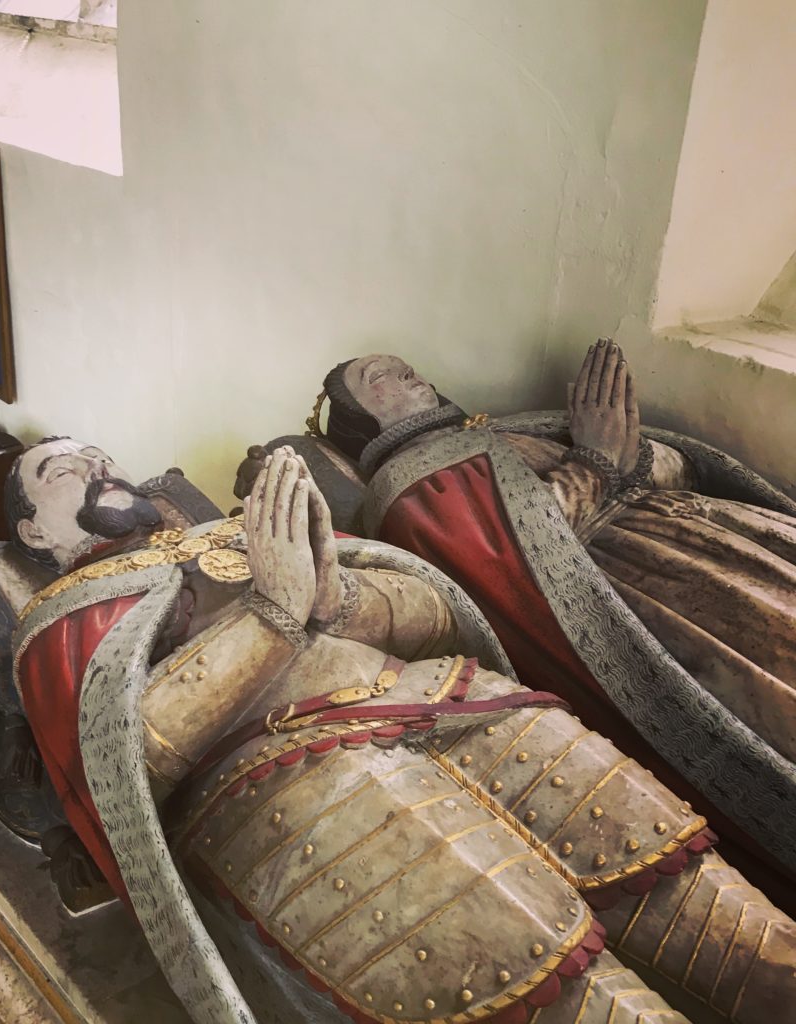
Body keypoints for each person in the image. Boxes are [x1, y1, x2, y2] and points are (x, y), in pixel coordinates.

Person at [8, 439, 796, 1024]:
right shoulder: (62, 621)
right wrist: (272, 615)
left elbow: (441, 616)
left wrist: (334, 601)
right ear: (33, 534)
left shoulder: (237, 534)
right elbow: (125, 766)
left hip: (458, 700)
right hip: (296, 784)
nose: (98, 466)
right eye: (62, 472)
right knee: (563, 991)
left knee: (730, 924)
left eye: (97, 455)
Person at [270, 344, 796, 907]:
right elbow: (509, 560)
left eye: (402, 363)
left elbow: (654, 466)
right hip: (637, 585)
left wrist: (633, 452)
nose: (404, 371)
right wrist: (596, 462)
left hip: (703, 539)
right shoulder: (408, 484)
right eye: (378, 377)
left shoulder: (501, 430)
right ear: (357, 420)